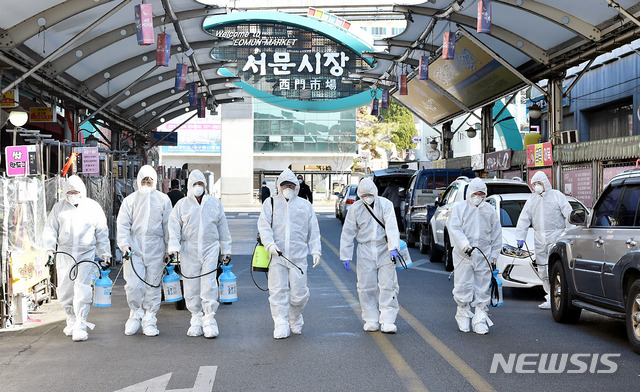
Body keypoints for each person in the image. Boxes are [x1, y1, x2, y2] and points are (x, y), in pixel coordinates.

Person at [43, 175, 111, 342]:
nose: (73, 194)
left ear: (83, 191)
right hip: (65, 254)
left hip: (86, 253)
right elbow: (50, 230)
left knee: (82, 288)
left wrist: (105, 252)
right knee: (65, 289)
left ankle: (81, 322)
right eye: (70, 192)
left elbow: (102, 231)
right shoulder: (59, 208)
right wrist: (49, 249)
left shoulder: (93, 207)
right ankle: (71, 319)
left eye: (76, 192)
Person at [258, 169, 321, 339]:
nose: (288, 188)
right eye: (285, 185)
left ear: (297, 187)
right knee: (278, 291)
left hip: (298, 257)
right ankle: (281, 322)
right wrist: (270, 244)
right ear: (279, 186)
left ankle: (295, 314)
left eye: (291, 185)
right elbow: (264, 226)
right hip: (277, 256)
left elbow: (313, 230)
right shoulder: (270, 203)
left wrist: (316, 250)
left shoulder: (304, 206)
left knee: (299, 293)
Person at [168, 170, 232, 338]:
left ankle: (209, 319)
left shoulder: (214, 203)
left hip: (210, 248)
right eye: (195, 184)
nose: (198, 187)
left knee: (209, 283)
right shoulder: (182, 205)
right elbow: (173, 228)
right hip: (188, 249)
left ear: (205, 186)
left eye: (201, 184)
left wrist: (226, 250)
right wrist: (173, 247)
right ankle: (196, 318)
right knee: (191, 284)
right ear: (190, 186)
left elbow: (223, 228)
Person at [117, 165, 172, 336]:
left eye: (150, 180)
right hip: (134, 248)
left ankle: (150, 319)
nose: (147, 183)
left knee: (153, 285)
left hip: (156, 248)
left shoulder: (164, 200)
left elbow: (169, 226)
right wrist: (124, 245)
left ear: (155, 181)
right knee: (133, 285)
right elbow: (123, 224)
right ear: (139, 181)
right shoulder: (130, 200)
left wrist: (170, 249)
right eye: (144, 180)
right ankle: (135, 314)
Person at [339, 178, 401, 333]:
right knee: (366, 286)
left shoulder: (385, 204)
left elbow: (392, 226)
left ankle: (388, 320)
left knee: (388, 285)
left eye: (369, 193)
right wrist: (346, 255)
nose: (367, 196)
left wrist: (393, 247)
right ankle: (370, 318)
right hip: (365, 250)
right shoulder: (356, 208)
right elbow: (348, 232)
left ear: (375, 192)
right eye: (364, 194)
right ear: (360, 195)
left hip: (384, 249)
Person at [448, 178, 502, 334]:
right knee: (463, 285)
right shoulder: (459, 209)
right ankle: (463, 314)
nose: (478, 197)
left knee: (483, 288)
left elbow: (496, 233)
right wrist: (465, 246)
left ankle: (480, 319)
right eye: (476, 194)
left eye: (481, 194)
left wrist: (494, 254)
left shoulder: (489, 211)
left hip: (483, 255)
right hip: (463, 255)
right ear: (469, 193)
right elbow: (455, 229)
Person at [515, 171, 572, 310]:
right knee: (542, 268)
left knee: (555, 268)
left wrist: (570, 235)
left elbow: (569, 214)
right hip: (539, 238)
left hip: (556, 237)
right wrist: (519, 237)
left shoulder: (557, 196)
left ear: (545, 183)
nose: (537, 187)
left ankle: (558, 296)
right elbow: (524, 218)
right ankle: (549, 296)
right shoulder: (532, 200)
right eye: (534, 184)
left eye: (539, 183)